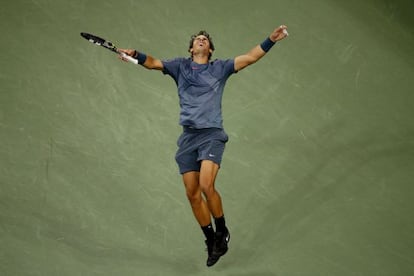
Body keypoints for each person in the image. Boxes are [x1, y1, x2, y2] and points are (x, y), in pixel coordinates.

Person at [118, 25, 288, 267]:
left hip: (211, 135)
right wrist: (136, 55)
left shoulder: (220, 68)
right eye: (197, 39)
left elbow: (250, 58)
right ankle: (211, 241)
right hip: (188, 139)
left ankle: (222, 231)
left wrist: (271, 40)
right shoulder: (180, 67)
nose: (200, 40)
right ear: (190, 49)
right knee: (192, 194)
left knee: (207, 185)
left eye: (205, 40)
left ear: (209, 49)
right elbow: (154, 63)